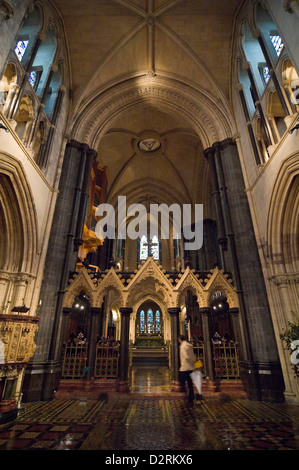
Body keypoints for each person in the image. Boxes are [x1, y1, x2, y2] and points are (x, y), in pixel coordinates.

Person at [178, 334, 195, 406]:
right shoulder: (189, 345)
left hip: (185, 367)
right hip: (190, 367)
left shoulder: (183, 346)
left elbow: (186, 356)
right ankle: (191, 398)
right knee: (190, 383)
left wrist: (188, 361)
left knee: (181, 380)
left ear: (180, 340)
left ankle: (186, 394)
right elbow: (193, 356)